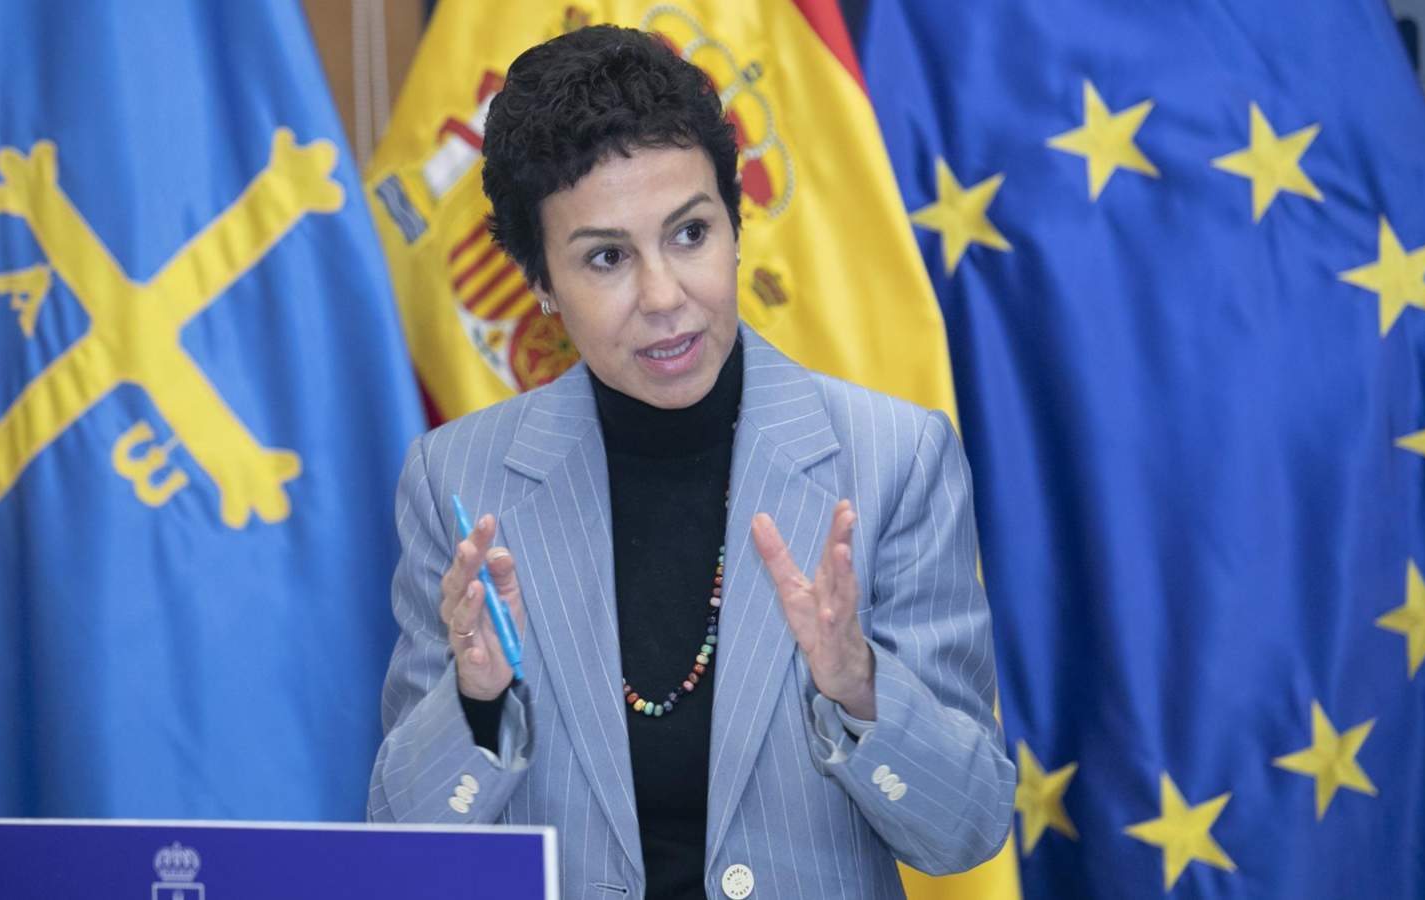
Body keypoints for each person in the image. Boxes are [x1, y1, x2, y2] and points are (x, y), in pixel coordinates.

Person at [368, 24, 1015, 900]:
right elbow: (401, 841)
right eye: (606, 257)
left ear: (735, 228)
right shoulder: (458, 480)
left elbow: (965, 829)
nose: (664, 296)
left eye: (689, 234)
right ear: (541, 284)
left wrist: (858, 687)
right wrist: (476, 702)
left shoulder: (894, 459)